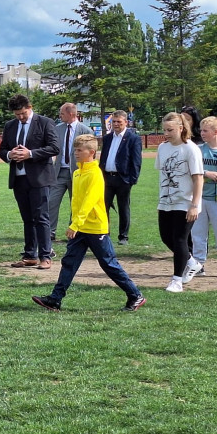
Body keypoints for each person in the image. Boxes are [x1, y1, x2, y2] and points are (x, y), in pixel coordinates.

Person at [31, 134, 146, 312]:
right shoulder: (77, 173)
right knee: (69, 262)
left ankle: (135, 295)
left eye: (79, 150)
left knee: (108, 263)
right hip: (81, 227)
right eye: (74, 150)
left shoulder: (94, 174)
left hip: (94, 228)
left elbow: (89, 202)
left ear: (91, 152)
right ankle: (55, 299)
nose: (76, 153)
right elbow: (77, 202)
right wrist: (76, 224)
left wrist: (75, 224)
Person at [0, 93, 58, 269]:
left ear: (30, 107)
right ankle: (30, 254)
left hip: (39, 178)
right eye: (17, 115)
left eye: (23, 113)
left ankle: (45, 256)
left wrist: (29, 154)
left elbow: (54, 147)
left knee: (41, 217)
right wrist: (10, 154)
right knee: (27, 219)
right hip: (19, 178)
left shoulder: (45, 122)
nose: (20, 117)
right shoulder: (10, 126)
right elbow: (3, 149)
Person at [157, 112, 205, 294]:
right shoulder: (162, 148)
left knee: (179, 240)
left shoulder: (191, 149)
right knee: (166, 238)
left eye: (170, 130)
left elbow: (198, 178)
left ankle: (177, 280)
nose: (166, 133)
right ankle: (192, 262)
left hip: (185, 203)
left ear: (181, 128)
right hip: (166, 201)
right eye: (164, 130)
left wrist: (195, 204)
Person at [190, 116, 217, 279]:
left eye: (205, 130)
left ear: (216, 132)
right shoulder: (198, 149)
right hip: (199, 197)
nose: (201, 133)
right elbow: (192, 172)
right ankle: (199, 264)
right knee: (198, 234)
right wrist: (207, 173)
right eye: (201, 130)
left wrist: (203, 175)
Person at [49, 103, 95, 241]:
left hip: (78, 172)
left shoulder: (86, 130)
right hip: (59, 172)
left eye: (62, 113)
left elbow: (91, 155)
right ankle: (50, 231)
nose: (59, 116)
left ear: (71, 114)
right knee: (51, 201)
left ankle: (73, 231)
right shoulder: (57, 129)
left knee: (75, 203)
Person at [99, 110, 143, 245]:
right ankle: (104, 233)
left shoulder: (133, 138)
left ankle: (123, 236)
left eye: (119, 121)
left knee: (123, 208)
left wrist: (131, 179)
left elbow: (136, 161)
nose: (116, 124)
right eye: (114, 121)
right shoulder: (107, 138)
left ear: (126, 122)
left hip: (123, 179)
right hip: (107, 178)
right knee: (103, 207)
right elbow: (103, 157)